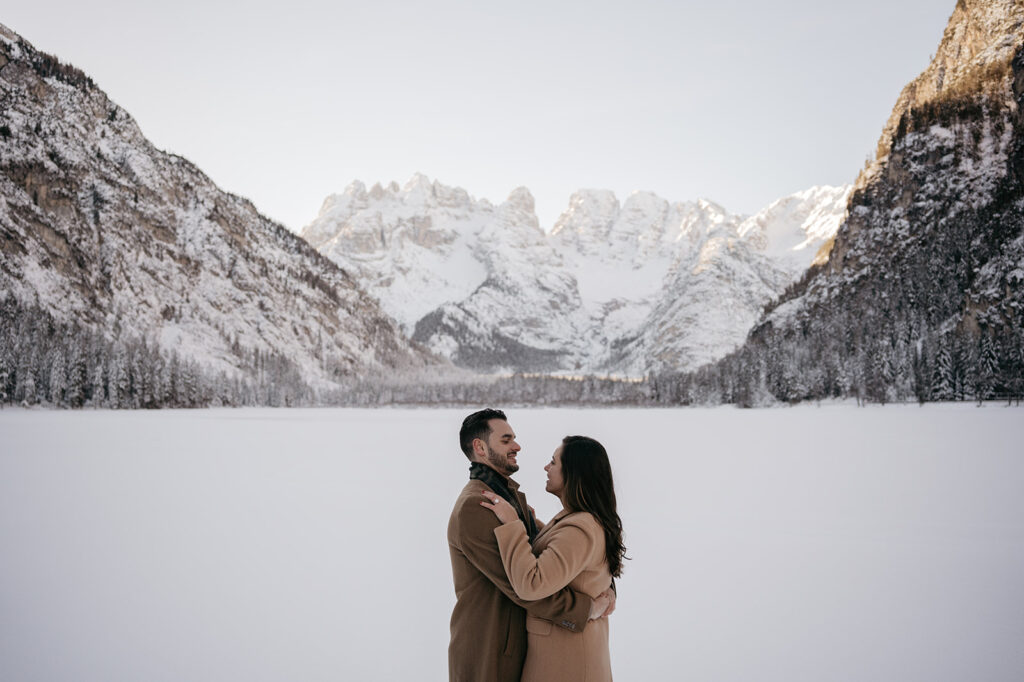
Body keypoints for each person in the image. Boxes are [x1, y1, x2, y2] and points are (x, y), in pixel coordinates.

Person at [448, 409, 612, 682]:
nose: (517, 446)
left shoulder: (506, 496)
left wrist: (604, 582)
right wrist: (587, 609)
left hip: (516, 646)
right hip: (491, 650)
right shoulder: (477, 505)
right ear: (480, 447)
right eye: (506, 440)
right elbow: (524, 589)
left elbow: (563, 548)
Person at [481, 435, 626, 682]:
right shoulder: (580, 519)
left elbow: (532, 584)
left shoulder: (579, 529)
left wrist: (513, 525)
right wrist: (533, 525)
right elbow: (568, 558)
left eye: (553, 462)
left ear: (574, 473)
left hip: (566, 664)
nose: (546, 468)